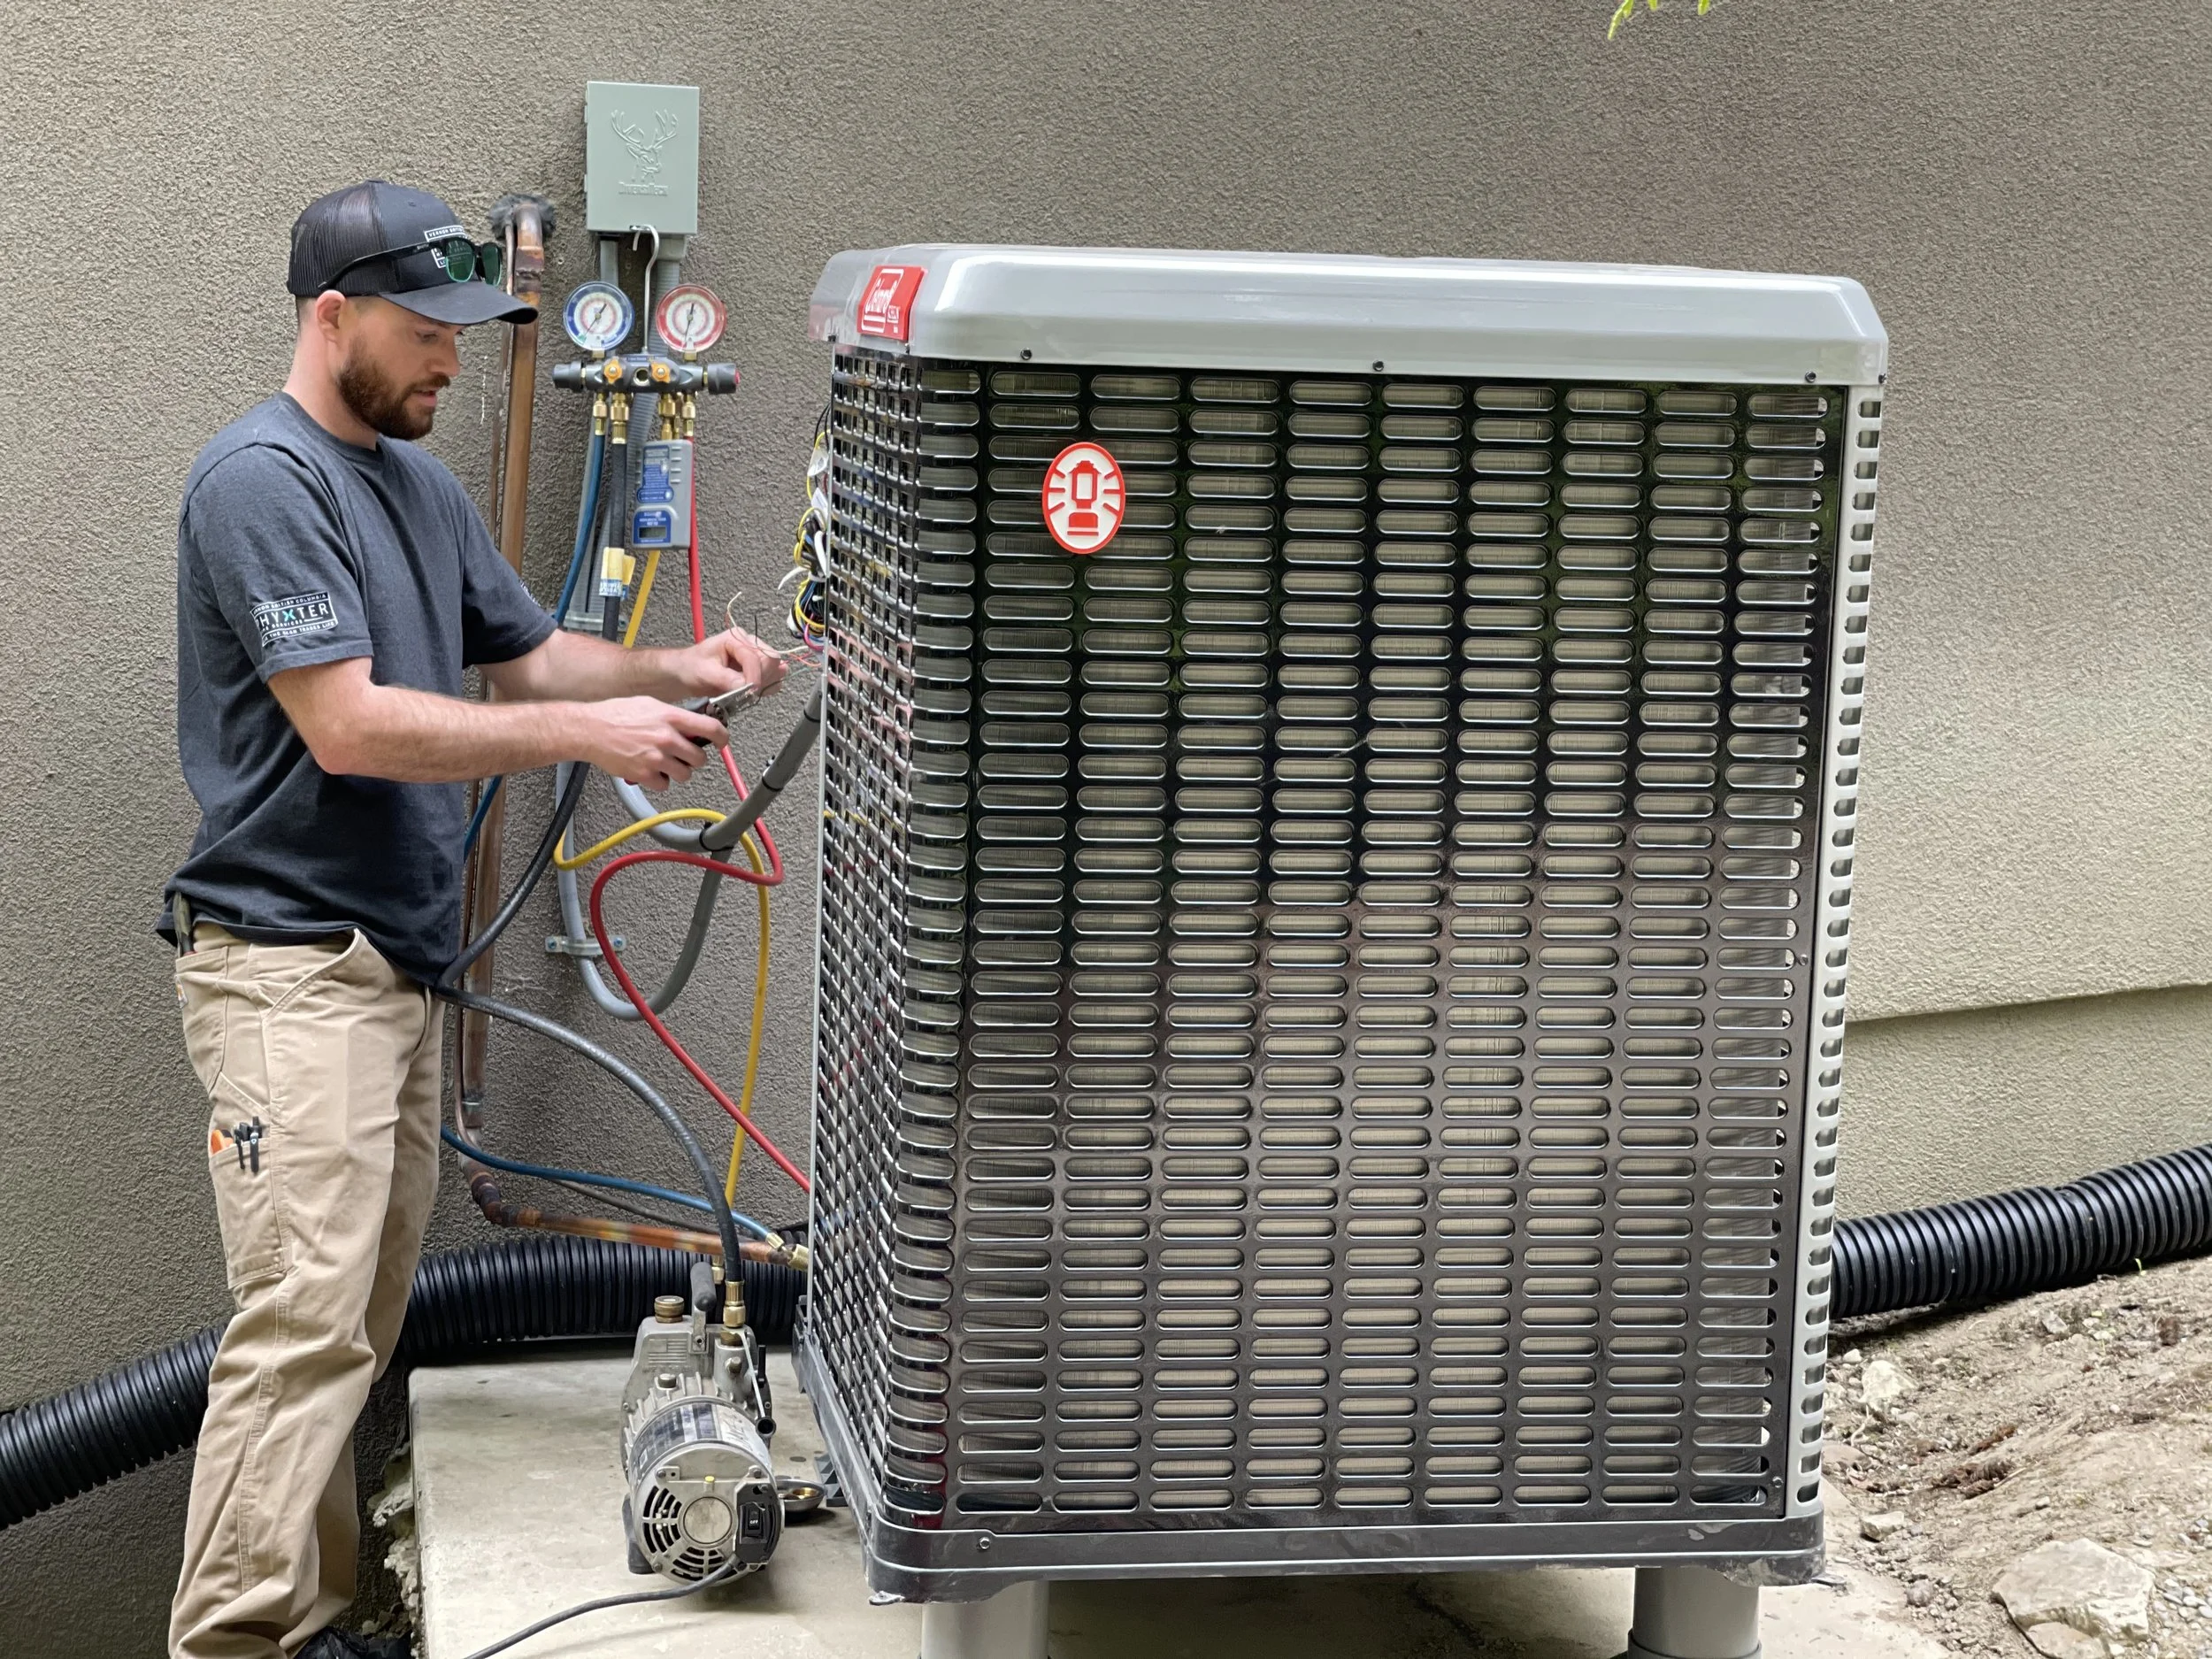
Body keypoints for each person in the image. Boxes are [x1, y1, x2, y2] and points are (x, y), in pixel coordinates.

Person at [162, 180, 786, 1659]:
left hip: (389, 973)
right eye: (428, 332)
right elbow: (352, 727)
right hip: (288, 974)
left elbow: (524, 660)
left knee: (350, 1332)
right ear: (333, 316)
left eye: (467, 332)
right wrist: (594, 740)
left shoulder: (415, 486)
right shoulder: (262, 482)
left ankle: (307, 1623)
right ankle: (238, 1640)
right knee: (300, 1330)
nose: (453, 358)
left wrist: (677, 666)